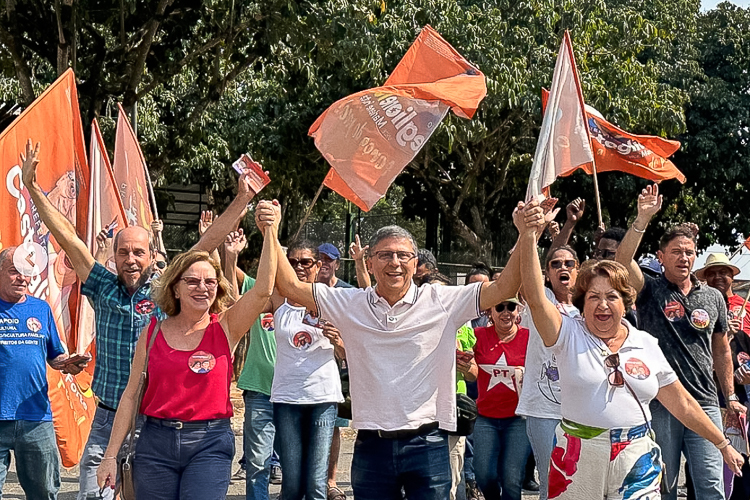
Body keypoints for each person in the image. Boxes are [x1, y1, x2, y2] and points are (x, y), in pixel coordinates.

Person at [261, 195, 523, 499]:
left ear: (415, 263)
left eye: (403, 255)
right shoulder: (350, 303)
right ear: (369, 263)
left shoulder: (442, 301)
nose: (395, 263)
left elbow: (505, 288)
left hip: (429, 443)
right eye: (385, 255)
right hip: (372, 445)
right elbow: (290, 287)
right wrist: (271, 230)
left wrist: (526, 234)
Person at [516, 199, 744, 499]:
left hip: (636, 456)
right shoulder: (566, 332)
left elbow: (682, 403)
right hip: (576, 455)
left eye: (611, 296)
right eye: (593, 297)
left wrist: (723, 444)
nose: (602, 304)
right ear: (582, 302)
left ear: (626, 302)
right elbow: (534, 295)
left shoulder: (645, 344)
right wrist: (528, 235)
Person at [95, 203, 278, 498]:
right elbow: (130, 395)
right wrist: (109, 456)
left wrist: (271, 231)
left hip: (210, 443)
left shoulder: (227, 326)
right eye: (192, 281)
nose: (202, 287)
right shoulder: (152, 332)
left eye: (210, 282)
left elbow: (263, 290)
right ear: (175, 288)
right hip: (154, 443)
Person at [21, 140, 164, 499]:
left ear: (151, 256)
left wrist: (242, 203)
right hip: (106, 418)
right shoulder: (102, 285)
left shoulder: (168, 292)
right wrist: (34, 188)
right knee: (92, 495)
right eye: (123, 252)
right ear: (113, 258)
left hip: (154, 421)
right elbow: (68, 239)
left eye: (138, 252)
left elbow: (204, 251)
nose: (131, 259)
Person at [615, 184, 746, 499]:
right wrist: (642, 219)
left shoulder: (713, 297)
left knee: (712, 487)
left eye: (689, 252)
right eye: (676, 251)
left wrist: (729, 396)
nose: (684, 257)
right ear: (661, 256)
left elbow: (721, 350)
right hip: (660, 402)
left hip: (705, 402)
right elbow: (621, 261)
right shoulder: (649, 290)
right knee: (664, 486)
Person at [0, 246, 88, 499]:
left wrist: (68, 363)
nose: (23, 279)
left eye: (27, 273)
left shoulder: (41, 309)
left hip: (36, 418)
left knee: (45, 492)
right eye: (15, 271)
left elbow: (54, 356)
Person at [262, 237, 343, 500]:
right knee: (293, 484)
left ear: (318, 266)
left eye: (305, 262)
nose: (299, 267)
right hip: (287, 397)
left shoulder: (333, 300)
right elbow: (245, 295)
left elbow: (347, 354)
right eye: (292, 261)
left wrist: (337, 340)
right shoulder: (278, 299)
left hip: (323, 397)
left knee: (316, 484)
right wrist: (269, 235)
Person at [515, 243, 580, 500]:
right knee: (552, 484)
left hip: (584, 412)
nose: (562, 268)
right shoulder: (539, 301)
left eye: (569, 264)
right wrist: (534, 231)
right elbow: (524, 277)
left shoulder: (591, 306)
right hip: (545, 410)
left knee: (581, 484)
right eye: (555, 264)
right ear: (546, 273)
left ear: (579, 269)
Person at [223, 229, 282, 498]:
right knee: (258, 463)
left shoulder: (305, 298)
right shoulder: (257, 292)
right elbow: (231, 296)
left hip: (295, 394)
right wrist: (230, 255)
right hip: (259, 389)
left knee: (295, 464)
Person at [695, 253, 750, 498]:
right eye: (712, 273)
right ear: (705, 277)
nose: (718, 277)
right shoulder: (699, 305)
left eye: (723, 272)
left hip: (741, 396)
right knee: (706, 457)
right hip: (707, 394)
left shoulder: (746, 307)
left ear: (732, 277)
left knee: (741, 455)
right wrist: (724, 336)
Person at [473, 297, 531, 500]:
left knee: (511, 478)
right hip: (485, 416)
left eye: (511, 307)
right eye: (500, 307)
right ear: (490, 312)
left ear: (519, 311)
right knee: (482, 473)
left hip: (519, 419)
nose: (506, 312)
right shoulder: (478, 336)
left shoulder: (530, 338)